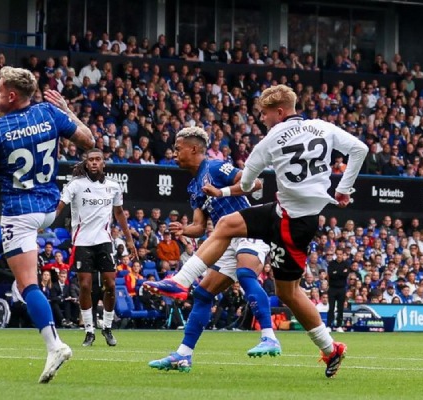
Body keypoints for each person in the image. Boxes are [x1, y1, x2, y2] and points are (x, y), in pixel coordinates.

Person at [175, 85, 367, 378]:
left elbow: (250, 183)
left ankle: (330, 349)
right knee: (227, 225)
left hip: (294, 223)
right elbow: (360, 149)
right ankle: (180, 281)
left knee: (288, 292)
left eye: (264, 114)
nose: (261, 119)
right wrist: (343, 189)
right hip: (287, 213)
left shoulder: (270, 139)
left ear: (279, 112)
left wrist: (224, 189)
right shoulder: (321, 126)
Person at [0, 67, 94, 383]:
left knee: (27, 285)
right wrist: (67, 111)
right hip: (50, 207)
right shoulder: (49, 112)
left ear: (11, 95)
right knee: (8, 242)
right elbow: (89, 141)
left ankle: (55, 346)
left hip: (20, 211)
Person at [145, 127, 278, 374]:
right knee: (204, 294)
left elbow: (254, 183)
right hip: (226, 240)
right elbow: (199, 226)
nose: (174, 153)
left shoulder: (215, 167)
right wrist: (184, 230)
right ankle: (183, 356)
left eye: (178, 148)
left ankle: (269, 336)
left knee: (246, 274)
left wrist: (222, 192)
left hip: (250, 229)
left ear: (193, 149)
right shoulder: (194, 186)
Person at [56, 148, 136, 346]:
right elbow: (59, 206)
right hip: (82, 242)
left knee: (110, 285)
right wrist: (42, 223)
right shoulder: (75, 185)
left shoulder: (113, 186)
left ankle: (107, 328)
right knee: (85, 286)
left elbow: (119, 214)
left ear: (103, 163)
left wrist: (129, 240)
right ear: (86, 163)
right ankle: (89, 330)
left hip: (104, 241)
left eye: (97, 159)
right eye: (90, 159)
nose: (93, 162)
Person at [327, 249, 350, 332]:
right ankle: (329, 325)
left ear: (343, 255)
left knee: (340, 308)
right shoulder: (331, 264)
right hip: (332, 288)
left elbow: (345, 274)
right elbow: (331, 274)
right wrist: (340, 273)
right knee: (331, 307)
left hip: (342, 288)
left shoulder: (346, 264)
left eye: (341, 254)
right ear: (336, 255)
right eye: (338, 254)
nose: (339, 256)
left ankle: (339, 326)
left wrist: (336, 272)